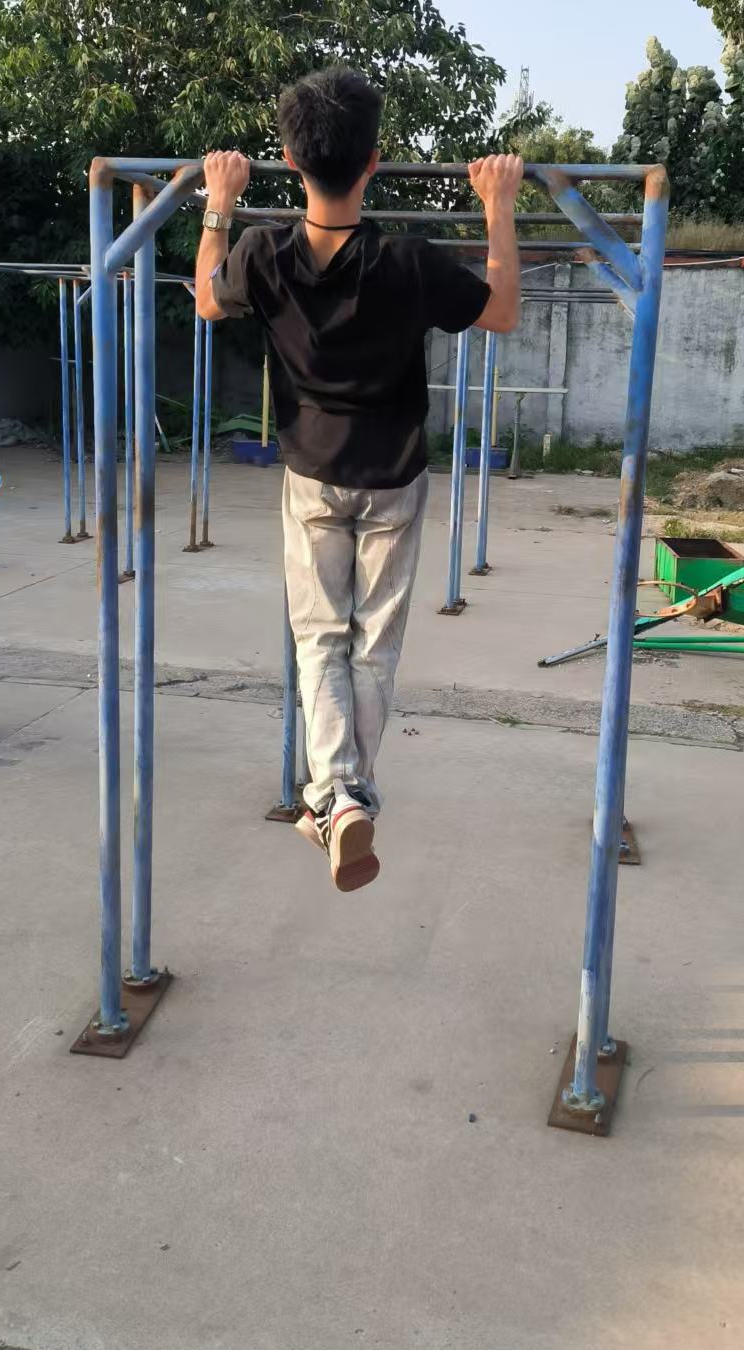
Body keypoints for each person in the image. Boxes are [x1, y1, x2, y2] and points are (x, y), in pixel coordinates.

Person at [194, 65, 521, 891]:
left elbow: (206, 300)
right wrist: (497, 207)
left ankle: (336, 797)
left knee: (318, 639)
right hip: (393, 477)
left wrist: (220, 200)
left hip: (312, 473)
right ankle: (346, 797)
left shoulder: (263, 254)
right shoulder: (407, 259)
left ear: (288, 159)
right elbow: (501, 311)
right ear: (374, 161)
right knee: (373, 645)